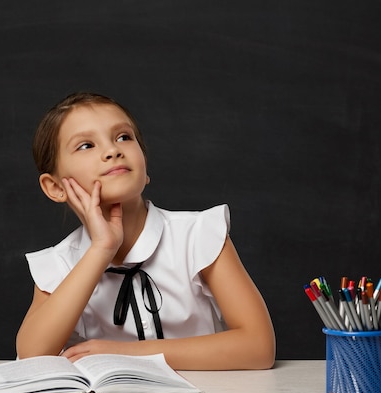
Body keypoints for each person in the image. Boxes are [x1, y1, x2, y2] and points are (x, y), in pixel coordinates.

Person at [16, 92, 275, 370]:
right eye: (86, 145)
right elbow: (32, 357)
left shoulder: (198, 235)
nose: (112, 150)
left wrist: (126, 354)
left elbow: (259, 347)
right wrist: (101, 249)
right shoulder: (59, 263)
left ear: (145, 167)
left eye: (124, 137)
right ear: (55, 187)